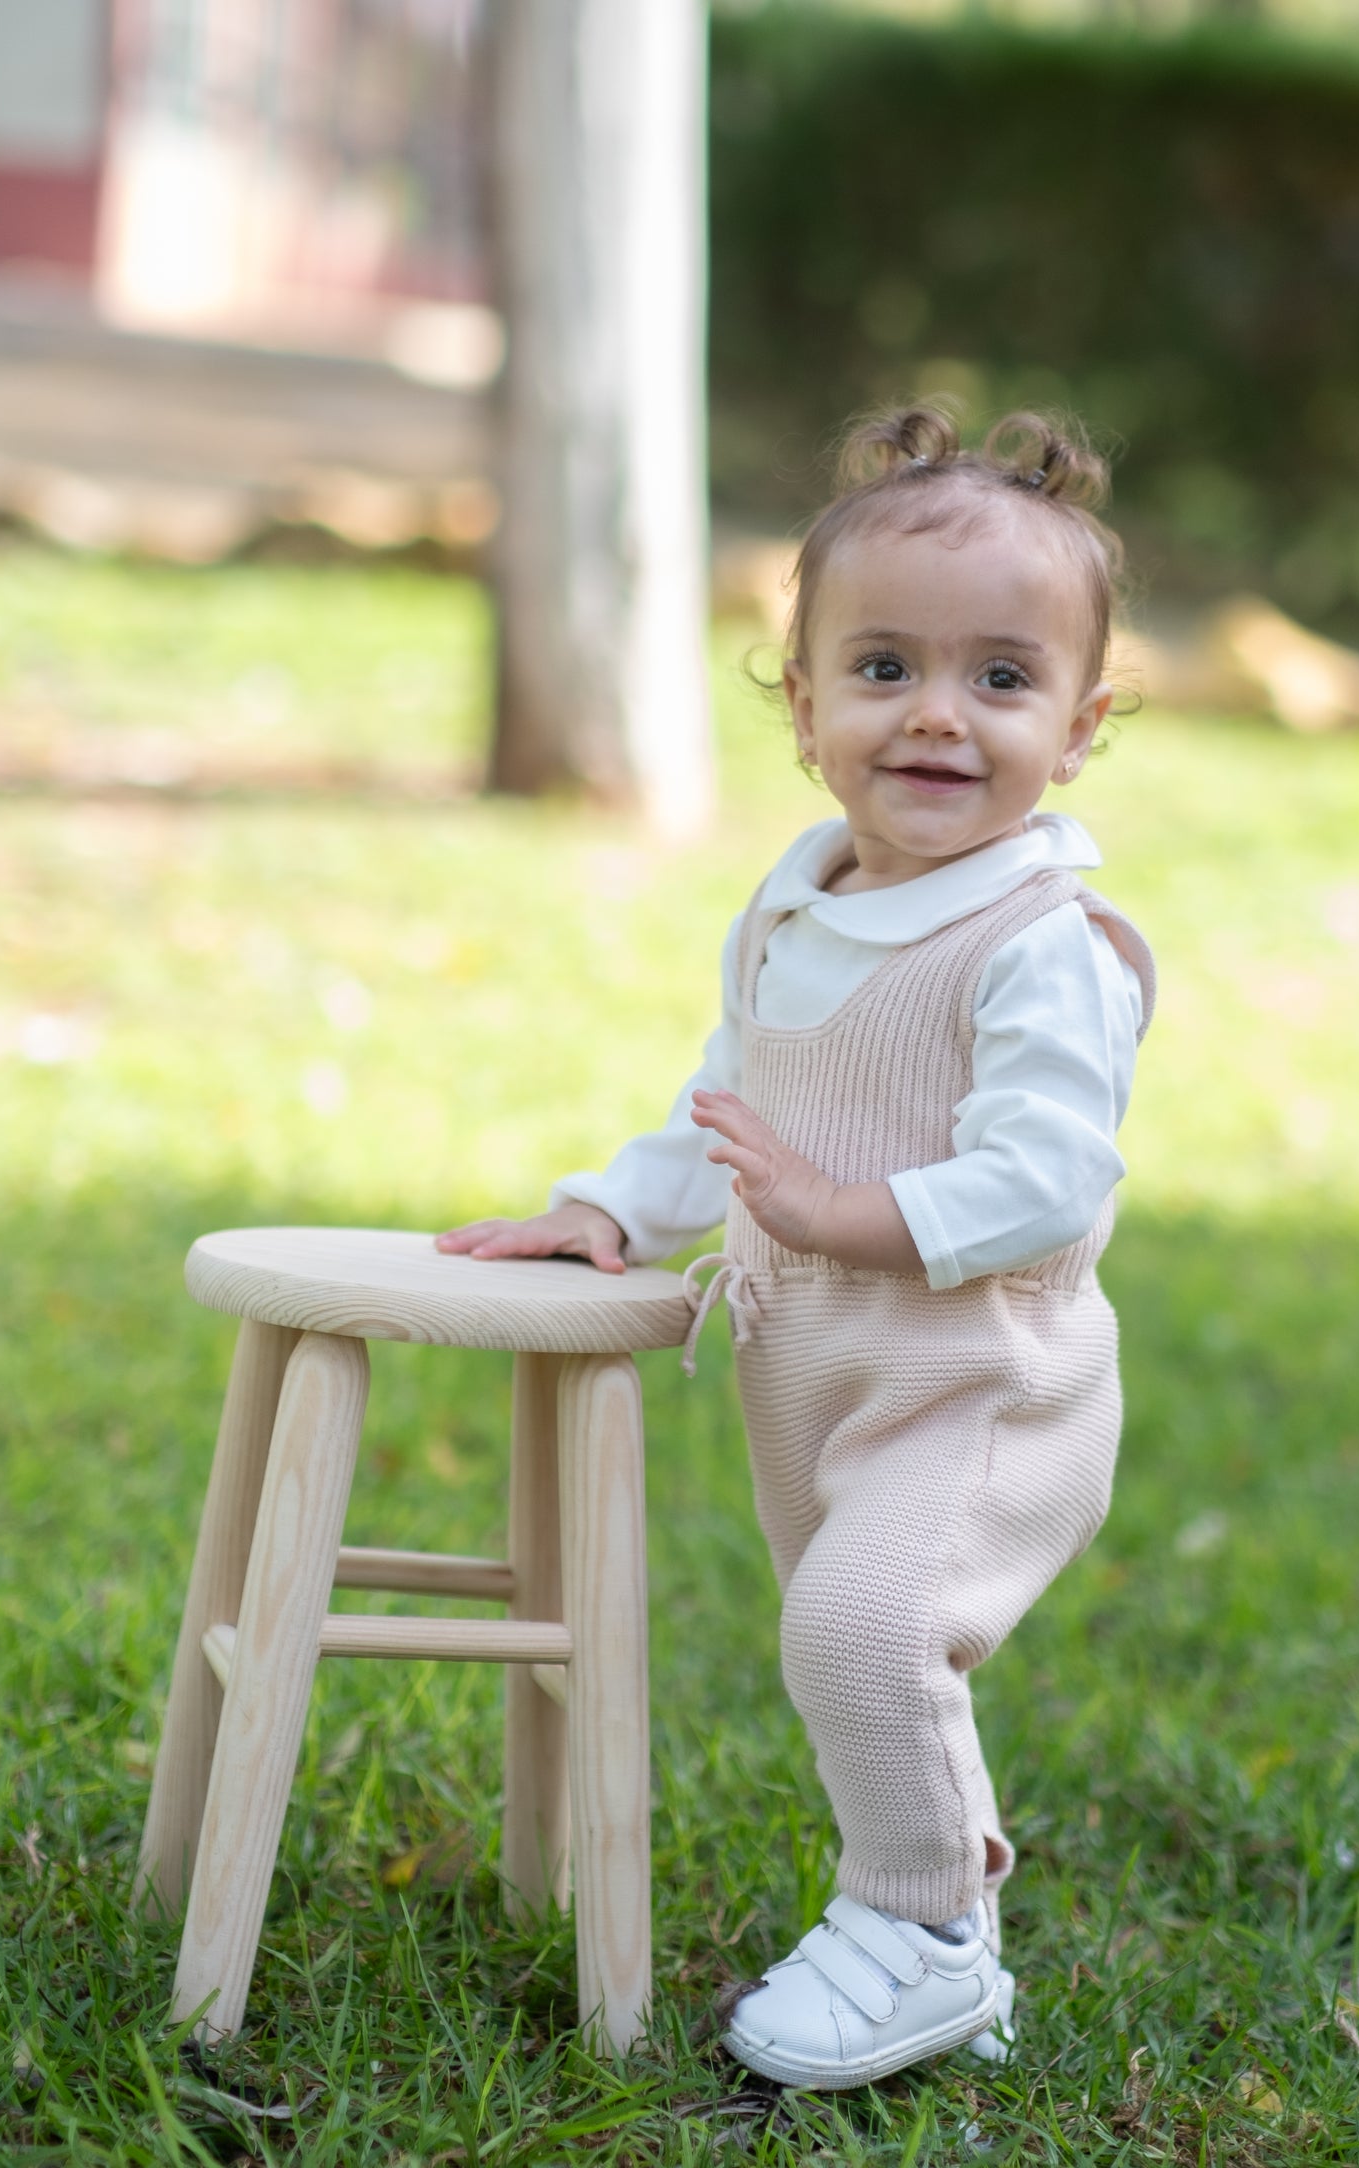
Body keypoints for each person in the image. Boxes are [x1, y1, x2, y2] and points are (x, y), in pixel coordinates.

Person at [439, 405, 1155, 2090]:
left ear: (1079, 724)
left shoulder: (1045, 942)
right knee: (858, 1632)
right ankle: (944, 1923)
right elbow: (731, 1100)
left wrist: (849, 1212)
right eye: (886, 665)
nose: (935, 714)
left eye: (1000, 679)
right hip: (819, 1371)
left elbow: (1050, 1174)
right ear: (804, 699)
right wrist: (614, 1206)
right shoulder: (800, 899)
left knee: (861, 1634)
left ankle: (915, 1932)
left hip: (986, 1377)